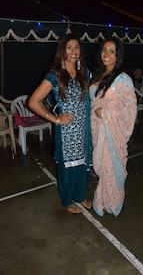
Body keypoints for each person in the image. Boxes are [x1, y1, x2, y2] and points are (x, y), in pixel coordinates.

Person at [29, 33, 92, 214]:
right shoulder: (54, 76)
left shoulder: (84, 73)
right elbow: (33, 102)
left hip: (84, 128)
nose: (74, 51)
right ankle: (67, 201)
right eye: (69, 47)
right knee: (68, 167)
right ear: (62, 51)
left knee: (83, 164)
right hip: (67, 130)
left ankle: (80, 196)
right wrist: (56, 119)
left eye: (77, 47)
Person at [89, 37, 137, 216]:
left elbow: (130, 111)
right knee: (101, 168)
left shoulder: (123, 80)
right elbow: (93, 103)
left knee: (111, 168)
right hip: (98, 131)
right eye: (104, 50)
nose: (107, 54)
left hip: (113, 133)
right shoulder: (97, 75)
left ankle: (113, 203)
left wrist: (107, 114)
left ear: (118, 55)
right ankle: (102, 200)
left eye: (112, 51)